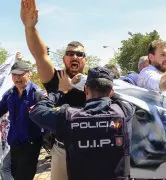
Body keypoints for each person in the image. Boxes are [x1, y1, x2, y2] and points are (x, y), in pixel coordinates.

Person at [29, 67, 134, 180]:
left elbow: (36, 111)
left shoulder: (68, 117)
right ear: (111, 91)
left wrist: (59, 92)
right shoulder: (125, 111)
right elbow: (127, 97)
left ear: (86, 90)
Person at [21, 0, 87, 179]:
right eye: (70, 53)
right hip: (61, 150)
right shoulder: (55, 77)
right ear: (64, 58)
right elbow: (40, 55)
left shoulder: (93, 82)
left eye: (79, 54)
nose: (74, 56)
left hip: (90, 148)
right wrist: (30, 28)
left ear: (84, 60)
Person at [0, 61, 44, 180]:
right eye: (14, 75)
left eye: (20, 75)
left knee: (23, 176)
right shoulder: (9, 93)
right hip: (14, 143)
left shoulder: (37, 94)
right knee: (15, 174)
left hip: (30, 144)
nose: (17, 78)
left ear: (28, 74)